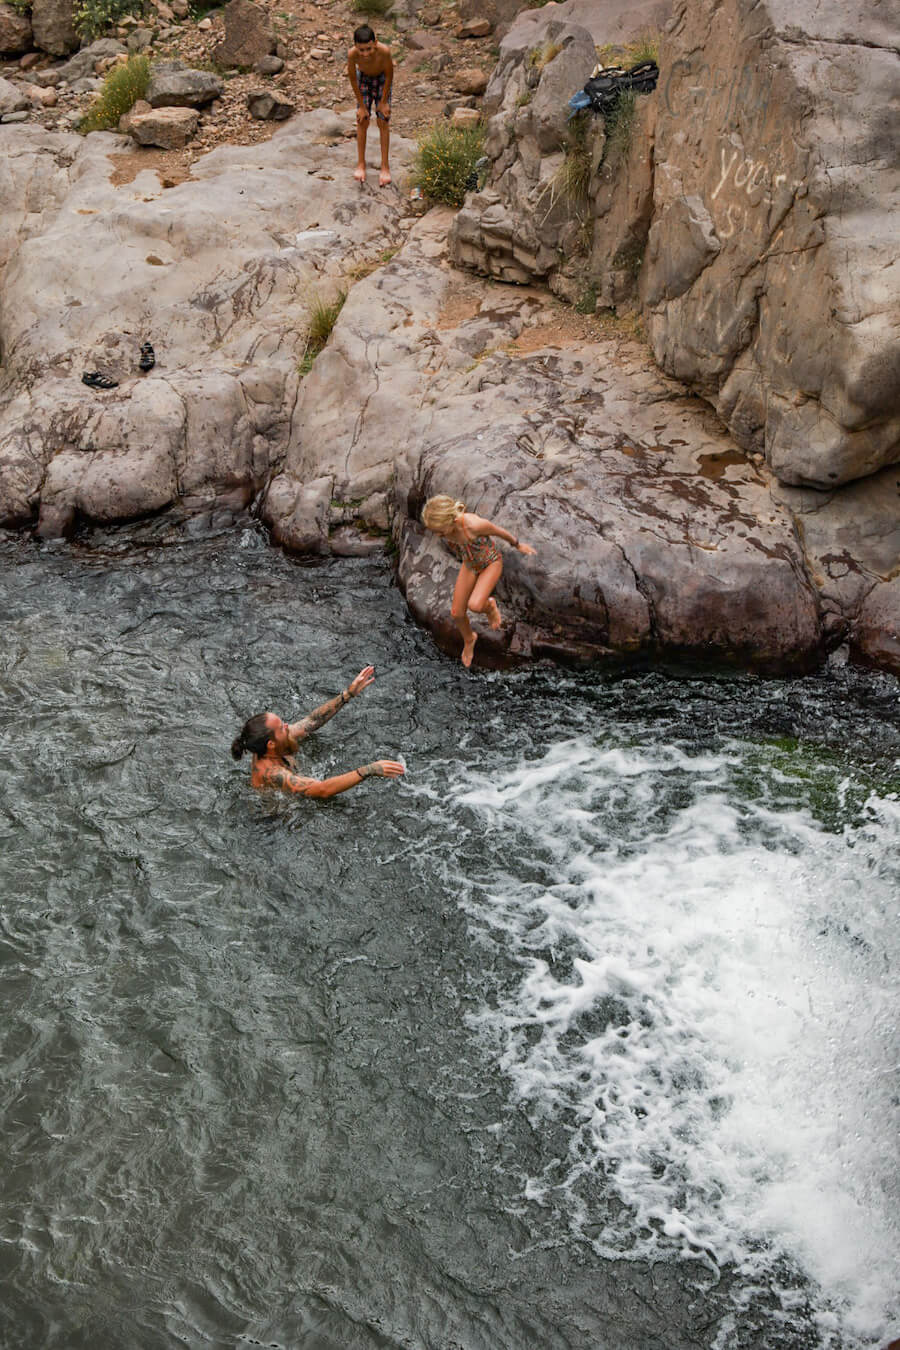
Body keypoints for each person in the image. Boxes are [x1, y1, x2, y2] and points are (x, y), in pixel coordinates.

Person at [231, 665, 404, 797]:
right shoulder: (273, 774)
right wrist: (367, 770)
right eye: (282, 727)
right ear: (271, 744)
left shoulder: (269, 741)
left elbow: (311, 722)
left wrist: (348, 694)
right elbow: (321, 790)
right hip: (275, 820)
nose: (287, 726)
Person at [421, 496, 537, 668]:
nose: (438, 535)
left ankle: (490, 606)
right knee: (457, 613)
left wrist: (518, 545)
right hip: (470, 564)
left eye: (440, 531)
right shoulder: (447, 528)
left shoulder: (473, 525)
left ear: (451, 520)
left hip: (490, 562)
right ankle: (470, 639)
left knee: (475, 605)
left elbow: (498, 531)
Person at [347, 24, 394, 187]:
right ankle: (361, 164)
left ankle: (385, 166)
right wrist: (361, 106)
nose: (365, 54)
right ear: (355, 47)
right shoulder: (352, 55)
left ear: (375, 43)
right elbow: (353, 79)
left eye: (369, 49)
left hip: (382, 79)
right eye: (361, 50)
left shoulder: (384, 51)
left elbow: (389, 75)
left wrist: (383, 103)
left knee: (383, 120)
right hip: (364, 79)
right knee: (362, 119)